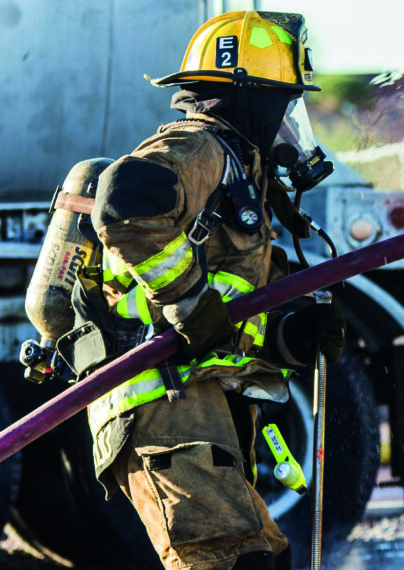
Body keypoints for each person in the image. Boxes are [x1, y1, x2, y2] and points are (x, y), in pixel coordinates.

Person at [81, 11, 343, 570]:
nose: (289, 127)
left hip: (198, 399)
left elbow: (229, 310)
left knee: (264, 557)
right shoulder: (198, 146)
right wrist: (189, 303)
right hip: (160, 399)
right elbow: (124, 203)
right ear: (250, 99)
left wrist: (292, 334)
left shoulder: (241, 173)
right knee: (229, 561)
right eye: (284, 106)